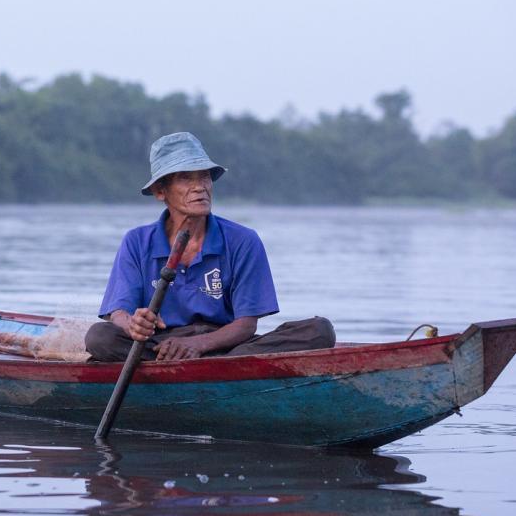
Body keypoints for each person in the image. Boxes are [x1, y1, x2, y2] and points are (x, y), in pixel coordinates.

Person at [85, 132, 334, 362]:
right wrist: (134, 325)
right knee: (99, 337)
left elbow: (247, 324)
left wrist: (199, 344)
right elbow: (118, 313)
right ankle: (201, 368)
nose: (200, 187)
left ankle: (214, 367)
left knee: (318, 331)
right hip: (160, 348)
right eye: (185, 178)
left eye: (204, 176)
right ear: (161, 191)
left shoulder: (243, 240)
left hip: (226, 346)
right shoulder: (137, 241)